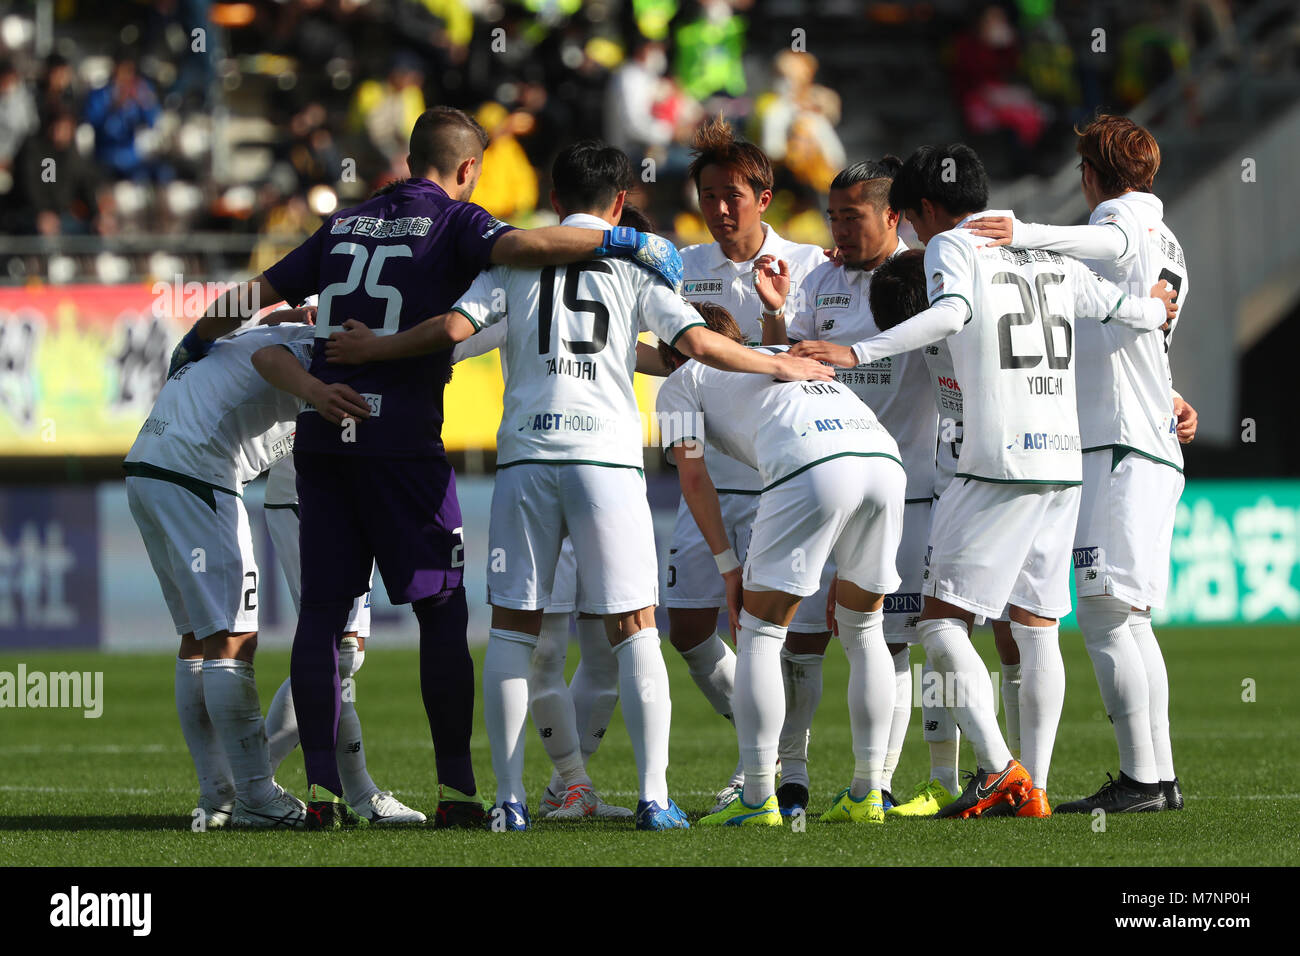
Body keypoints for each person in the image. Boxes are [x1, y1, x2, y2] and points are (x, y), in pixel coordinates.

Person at [324, 140, 833, 830]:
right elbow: (696, 346)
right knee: (635, 630)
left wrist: (372, 349)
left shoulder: (512, 259)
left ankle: (507, 802)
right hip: (605, 460)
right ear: (620, 201)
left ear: (556, 198)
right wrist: (777, 366)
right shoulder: (634, 260)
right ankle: (655, 798)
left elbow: (449, 328)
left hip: (528, 458)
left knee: (513, 631)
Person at [232, 107, 683, 829]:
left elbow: (265, 301)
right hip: (424, 447)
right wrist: (637, 247)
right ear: (469, 170)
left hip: (322, 440)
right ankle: (465, 793)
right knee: (463, 612)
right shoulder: (474, 231)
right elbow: (529, 282)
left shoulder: (350, 222)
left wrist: (201, 328)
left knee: (330, 618)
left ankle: (328, 796)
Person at [793, 143, 1178, 819]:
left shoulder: (952, 249)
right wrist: (1158, 312)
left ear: (925, 211)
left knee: (940, 625)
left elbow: (951, 316)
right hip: (1063, 462)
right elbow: (1131, 311)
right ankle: (1035, 783)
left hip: (994, 460)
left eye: (911, 218)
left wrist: (854, 349)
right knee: (1034, 626)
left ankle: (1000, 770)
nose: (912, 232)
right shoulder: (1043, 253)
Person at [964, 114, 1197, 813]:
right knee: (1129, 619)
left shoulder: (1126, 224)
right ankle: (1158, 776)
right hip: (1144, 437)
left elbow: (1109, 238)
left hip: (1120, 446)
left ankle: (1143, 780)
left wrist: (1025, 232)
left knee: (1102, 615)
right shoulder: (1169, 237)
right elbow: (1132, 336)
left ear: (1092, 175)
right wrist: (1174, 393)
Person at [657, 302, 905, 826]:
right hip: (885, 460)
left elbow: (694, 480)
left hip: (811, 463)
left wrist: (728, 567)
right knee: (866, 632)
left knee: (761, 635)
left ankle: (757, 800)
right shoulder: (774, 352)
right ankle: (867, 794)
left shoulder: (679, 382)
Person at [753, 156, 936, 813]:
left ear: (892, 216)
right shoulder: (819, 278)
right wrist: (777, 320)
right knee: (798, 637)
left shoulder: (924, 277)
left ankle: (875, 784)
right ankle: (792, 776)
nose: (840, 229)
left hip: (906, 488)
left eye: (853, 217)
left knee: (887, 638)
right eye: (833, 217)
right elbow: (783, 365)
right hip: (821, 478)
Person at [671, 117, 828, 812]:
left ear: (763, 197)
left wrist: (773, 321)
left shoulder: (810, 265)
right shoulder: (679, 266)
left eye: (732, 193)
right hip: (705, 474)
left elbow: (800, 370)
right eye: (708, 194)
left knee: (779, 635)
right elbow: (673, 366)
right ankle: (757, 741)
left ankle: (768, 768)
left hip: (779, 484)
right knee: (686, 626)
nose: (720, 208)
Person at [124, 317, 317, 829]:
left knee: (198, 638)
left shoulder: (247, 331)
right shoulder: (309, 345)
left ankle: (217, 798)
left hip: (147, 464)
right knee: (233, 638)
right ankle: (255, 794)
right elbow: (271, 361)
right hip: (198, 470)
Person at [866, 248, 1022, 817]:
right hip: (954, 487)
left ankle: (1006, 771)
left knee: (979, 631)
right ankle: (951, 777)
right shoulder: (942, 322)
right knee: (939, 634)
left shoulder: (962, 320)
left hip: (983, 487)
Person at [261, 455, 426, 825]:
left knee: (345, 655)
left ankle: (355, 791)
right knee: (337, 653)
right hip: (317, 485)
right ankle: (254, 783)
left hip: (352, 482)